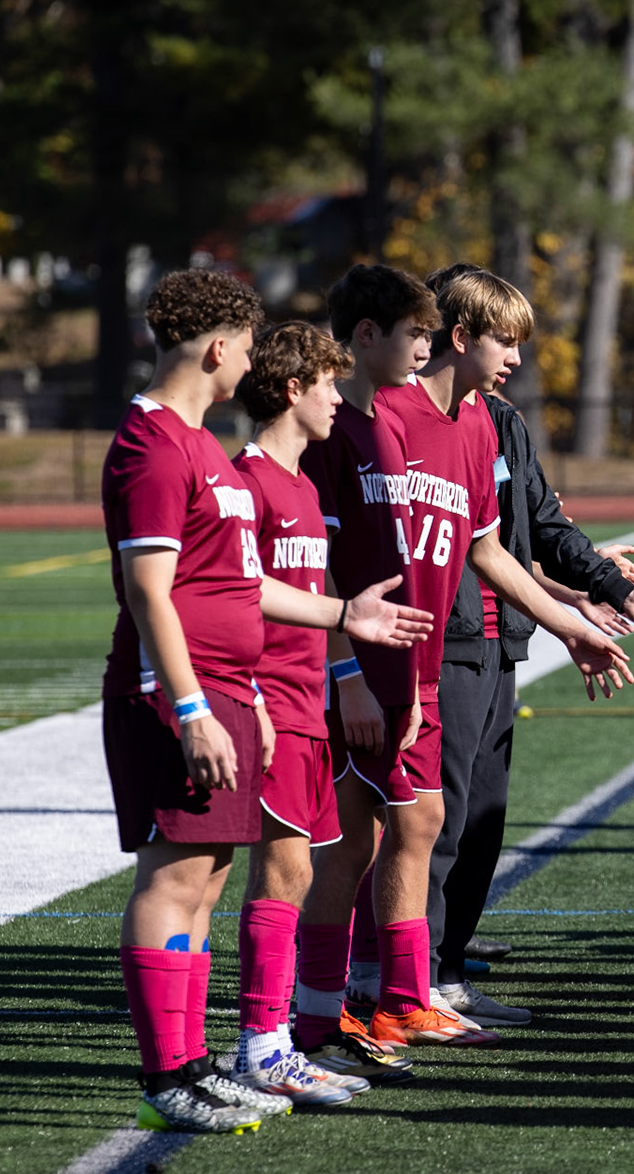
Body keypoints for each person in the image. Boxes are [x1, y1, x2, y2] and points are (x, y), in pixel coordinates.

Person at [101, 270, 433, 1134]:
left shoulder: (200, 446)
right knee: (174, 879)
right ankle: (168, 1073)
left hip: (228, 692)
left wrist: (342, 616)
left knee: (205, 884)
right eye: (247, 347)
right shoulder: (154, 444)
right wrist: (190, 707)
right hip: (177, 696)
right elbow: (149, 590)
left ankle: (193, 1062)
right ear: (218, 348)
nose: (251, 363)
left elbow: (242, 586)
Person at [294, 264, 634, 1060]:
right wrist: (346, 671)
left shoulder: (479, 425)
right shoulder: (371, 417)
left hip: (415, 665)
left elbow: (489, 549)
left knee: (420, 822)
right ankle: (312, 1010)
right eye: (505, 340)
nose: (516, 357)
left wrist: (569, 624)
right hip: (359, 660)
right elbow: (324, 557)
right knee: (341, 842)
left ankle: (398, 996)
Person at [418, 264, 634, 1027]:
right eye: (505, 340)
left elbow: (538, 529)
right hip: (441, 641)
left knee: (481, 818)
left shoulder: (499, 421)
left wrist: (612, 587)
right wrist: (586, 605)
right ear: (457, 334)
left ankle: (446, 973)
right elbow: (472, 548)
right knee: (434, 822)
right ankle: (405, 981)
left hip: (501, 638)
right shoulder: (400, 417)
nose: (517, 358)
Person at [227, 321, 391, 1105]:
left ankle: (281, 1036)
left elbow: (312, 603)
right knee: (282, 869)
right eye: (327, 383)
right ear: (293, 389)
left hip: (307, 702)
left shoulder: (302, 485)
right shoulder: (247, 480)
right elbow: (228, 597)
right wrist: (251, 695)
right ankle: (262, 1045)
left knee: (302, 867)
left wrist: (341, 672)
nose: (337, 398)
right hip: (267, 703)